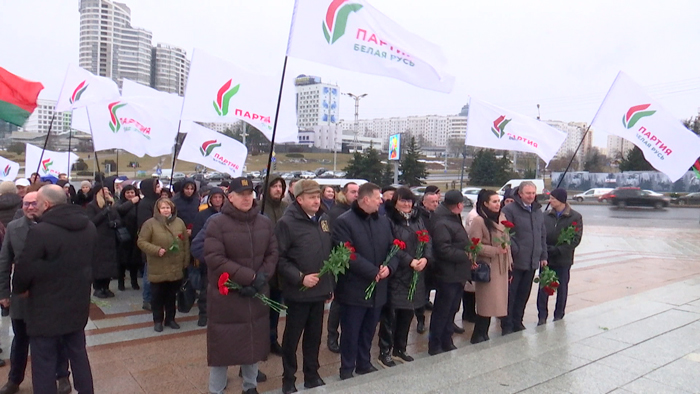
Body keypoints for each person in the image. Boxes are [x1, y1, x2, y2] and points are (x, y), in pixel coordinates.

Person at [12, 185, 97, 394]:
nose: (35, 207)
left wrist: (21, 289)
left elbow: (24, 268)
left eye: (38, 202)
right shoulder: (88, 226)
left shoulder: (40, 231)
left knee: (43, 361)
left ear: (47, 204)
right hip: (77, 303)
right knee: (78, 354)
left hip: (44, 308)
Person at [204, 177, 278, 394]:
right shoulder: (217, 223)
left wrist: (262, 277)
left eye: (249, 194)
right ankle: (216, 390)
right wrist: (250, 277)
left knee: (252, 344)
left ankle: (250, 386)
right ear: (231, 197)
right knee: (222, 348)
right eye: (241, 194)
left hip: (255, 295)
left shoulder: (264, 222)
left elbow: (273, 252)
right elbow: (215, 258)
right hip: (227, 297)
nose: (246, 198)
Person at [0, 192, 72, 394]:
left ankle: (62, 376)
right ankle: (14, 380)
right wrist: (4, 293)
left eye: (34, 203)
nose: (30, 207)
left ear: (43, 204)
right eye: (26, 204)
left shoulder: (55, 227)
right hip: (22, 296)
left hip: (51, 296)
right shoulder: (14, 228)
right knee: (20, 340)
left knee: (57, 338)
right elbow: (4, 262)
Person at [332, 182, 398, 380]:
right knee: (351, 331)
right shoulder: (344, 221)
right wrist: (372, 272)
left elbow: (393, 248)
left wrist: (390, 267)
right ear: (366, 199)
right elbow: (346, 254)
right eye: (378, 198)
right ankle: (347, 368)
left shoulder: (383, 221)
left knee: (369, 329)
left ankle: (364, 362)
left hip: (379, 287)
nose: (381, 201)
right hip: (354, 288)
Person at [276, 180, 333, 394]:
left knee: (314, 335)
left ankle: (312, 374)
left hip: (319, 291)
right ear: (299, 199)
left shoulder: (324, 220)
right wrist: (301, 278)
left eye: (318, 196)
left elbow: (328, 254)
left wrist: (329, 285)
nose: (317, 200)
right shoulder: (287, 223)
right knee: (292, 337)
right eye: (311, 197)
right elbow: (279, 259)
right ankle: (288, 378)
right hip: (299, 292)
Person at [378, 187, 432, 367]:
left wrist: (425, 258)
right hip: (397, 274)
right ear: (395, 202)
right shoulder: (389, 220)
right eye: (403, 201)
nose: (407, 204)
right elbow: (391, 246)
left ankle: (400, 348)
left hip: (416, 274)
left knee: (408, 313)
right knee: (391, 316)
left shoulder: (418, 219)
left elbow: (427, 241)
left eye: (409, 201)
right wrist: (409, 261)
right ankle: (385, 350)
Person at [501, 181, 547, 335]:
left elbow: (542, 235)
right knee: (511, 294)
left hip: (532, 260)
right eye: (528, 193)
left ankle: (517, 320)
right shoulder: (509, 210)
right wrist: (517, 250)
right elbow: (506, 234)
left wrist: (543, 254)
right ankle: (506, 324)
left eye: (533, 193)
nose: (531, 196)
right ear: (520, 194)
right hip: (516, 261)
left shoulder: (537, 211)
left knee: (524, 293)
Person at [467, 190, 513, 344]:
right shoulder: (479, 221)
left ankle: (483, 334)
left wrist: (510, 263)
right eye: (493, 201)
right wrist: (494, 251)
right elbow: (473, 246)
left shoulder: (502, 218)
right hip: (488, 268)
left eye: (498, 201)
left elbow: (508, 243)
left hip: (502, 267)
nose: (497, 204)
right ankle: (479, 335)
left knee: (498, 303)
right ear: (485, 203)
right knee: (486, 304)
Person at [137, 198, 189, 332]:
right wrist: (156, 250)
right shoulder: (150, 224)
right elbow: (141, 242)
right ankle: (158, 320)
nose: (166, 210)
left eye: (168, 207)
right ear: (158, 209)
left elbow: (185, 244)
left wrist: (185, 261)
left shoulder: (179, 222)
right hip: (158, 265)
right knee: (157, 296)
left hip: (175, 265)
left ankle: (170, 319)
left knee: (171, 296)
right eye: (163, 208)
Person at [428, 190, 470, 355]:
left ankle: (446, 339)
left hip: (457, 273)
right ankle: (435, 343)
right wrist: (465, 255)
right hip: (447, 273)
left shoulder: (452, 218)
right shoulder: (442, 222)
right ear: (458, 205)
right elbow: (443, 249)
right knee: (442, 310)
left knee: (451, 310)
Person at [537, 188, 583, 325]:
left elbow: (575, 239)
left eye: (553, 199)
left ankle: (559, 314)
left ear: (561, 200)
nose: (550, 201)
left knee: (562, 288)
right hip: (547, 258)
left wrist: (559, 250)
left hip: (563, 259)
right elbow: (540, 234)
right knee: (544, 288)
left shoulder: (575, 217)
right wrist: (545, 250)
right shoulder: (545, 215)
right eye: (550, 198)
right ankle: (542, 316)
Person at [325, 181, 359, 353]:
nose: (356, 195)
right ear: (344, 193)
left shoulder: (356, 212)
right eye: (353, 192)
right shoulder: (336, 213)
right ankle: (332, 335)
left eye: (358, 192)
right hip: (339, 263)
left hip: (353, 263)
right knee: (338, 302)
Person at [261, 175, 288, 356]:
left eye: (280, 186)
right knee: (261, 309)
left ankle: (272, 340)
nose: (278, 189)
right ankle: (261, 343)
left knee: (275, 308)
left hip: (281, 267)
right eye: (274, 186)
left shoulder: (287, 208)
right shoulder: (259, 208)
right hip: (263, 267)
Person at [191, 187, 226, 327]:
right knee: (206, 289)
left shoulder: (226, 214)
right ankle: (203, 314)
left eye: (220, 197)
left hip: (223, 258)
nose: (217, 200)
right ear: (210, 199)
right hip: (208, 257)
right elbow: (197, 236)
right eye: (215, 197)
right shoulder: (203, 215)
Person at [85, 185, 120, 298]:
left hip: (110, 238)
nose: (106, 193)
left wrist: (115, 223)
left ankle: (106, 286)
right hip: (98, 238)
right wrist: (103, 213)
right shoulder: (92, 206)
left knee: (109, 264)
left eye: (107, 191)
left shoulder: (111, 204)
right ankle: (98, 287)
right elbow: (91, 221)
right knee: (99, 264)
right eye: (103, 191)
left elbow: (119, 219)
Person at [414, 190, 440, 333]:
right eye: (432, 202)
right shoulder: (418, 216)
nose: (435, 204)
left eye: (437, 202)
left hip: (434, 259)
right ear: (424, 202)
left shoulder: (437, 216)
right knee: (420, 291)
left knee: (428, 288)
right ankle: (420, 318)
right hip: (421, 257)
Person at [137, 178, 162, 311]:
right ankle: (147, 299)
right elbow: (144, 225)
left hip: (162, 241)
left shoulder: (158, 201)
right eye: (156, 186)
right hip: (150, 241)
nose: (159, 188)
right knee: (149, 272)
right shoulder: (144, 204)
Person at [116, 185, 142, 291]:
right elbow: (120, 210)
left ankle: (134, 281)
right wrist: (132, 202)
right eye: (128, 193)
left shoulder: (139, 204)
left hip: (135, 234)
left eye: (132, 192)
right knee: (122, 260)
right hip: (123, 234)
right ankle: (121, 282)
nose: (130, 195)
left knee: (134, 261)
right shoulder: (120, 203)